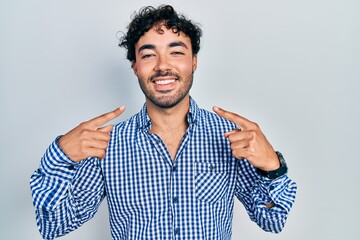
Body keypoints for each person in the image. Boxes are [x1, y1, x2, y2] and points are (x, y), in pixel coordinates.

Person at [30, 5, 297, 240]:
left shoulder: (229, 137)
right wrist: (59, 156)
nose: (163, 66)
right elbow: (54, 226)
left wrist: (273, 167)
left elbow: (272, 221)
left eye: (176, 52)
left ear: (194, 62)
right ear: (135, 66)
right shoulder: (107, 146)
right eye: (148, 55)